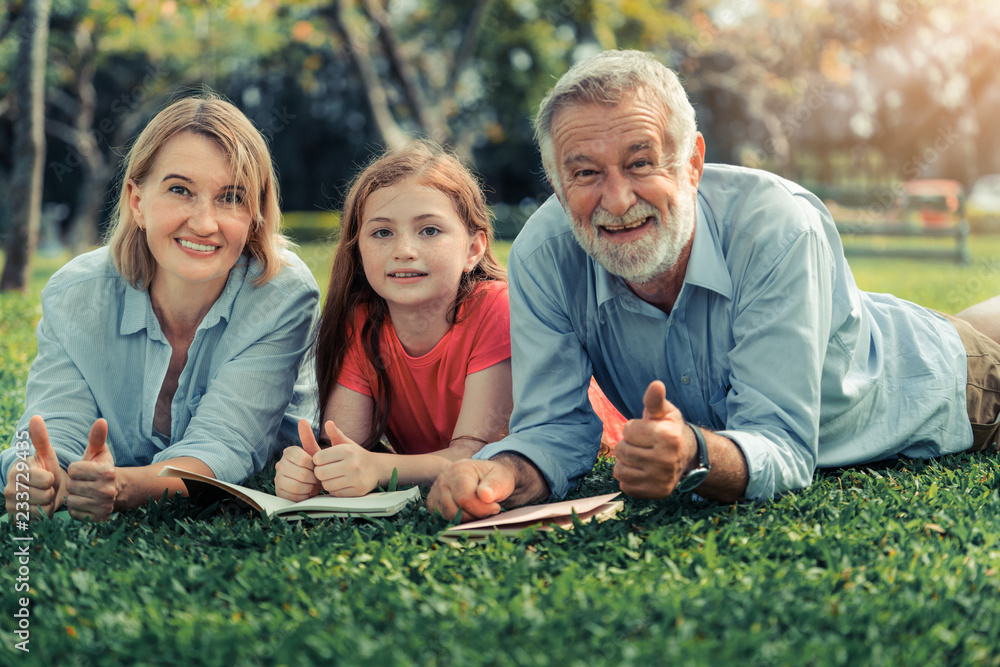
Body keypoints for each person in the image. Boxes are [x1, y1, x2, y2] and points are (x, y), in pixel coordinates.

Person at [426, 49, 1000, 521]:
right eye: (585, 173)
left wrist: (694, 455)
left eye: (641, 162)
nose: (617, 200)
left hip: (955, 382)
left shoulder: (777, 226)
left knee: (979, 336)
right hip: (860, 329)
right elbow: (553, 426)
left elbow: (783, 448)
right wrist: (504, 471)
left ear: (692, 163)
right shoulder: (544, 254)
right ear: (556, 181)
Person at [2, 95, 320, 523]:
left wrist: (121, 487)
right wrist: (42, 477)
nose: (205, 223)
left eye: (231, 197)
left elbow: (224, 448)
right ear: (137, 201)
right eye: (179, 190)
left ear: (255, 214)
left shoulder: (282, 295)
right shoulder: (75, 294)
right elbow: (54, 432)